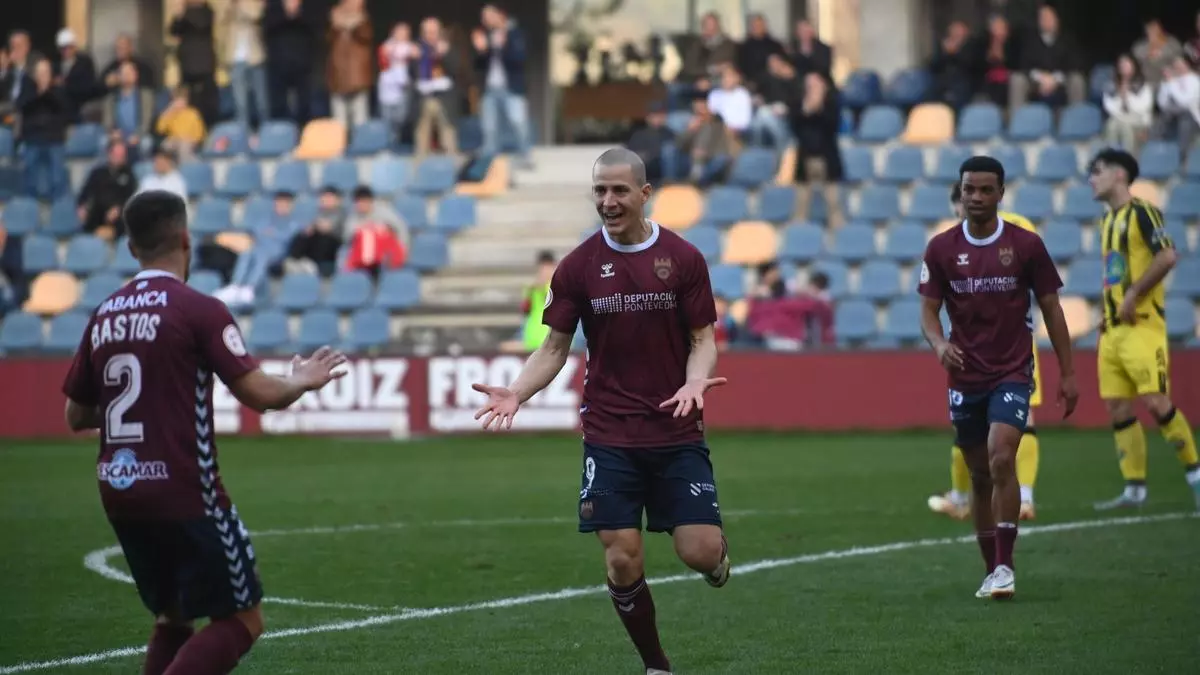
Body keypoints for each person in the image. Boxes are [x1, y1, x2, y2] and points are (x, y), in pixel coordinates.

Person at [60, 189, 347, 674]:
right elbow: (259, 394)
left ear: (131, 247)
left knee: (174, 614)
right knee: (244, 619)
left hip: (120, 489)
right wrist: (301, 380)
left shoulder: (104, 313)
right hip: (183, 489)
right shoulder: (198, 309)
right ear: (185, 239)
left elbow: (76, 415)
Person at [472, 147, 731, 675]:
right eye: (599, 191)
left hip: (675, 428)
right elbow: (553, 349)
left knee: (699, 552)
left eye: (618, 191)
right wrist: (517, 393)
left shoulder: (683, 258)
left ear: (644, 193)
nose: (608, 201)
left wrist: (695, 380)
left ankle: (717, 558)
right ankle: (656, 665)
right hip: (609, 432)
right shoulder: (577, 267)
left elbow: (703, 338)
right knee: (620, 556)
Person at [918, 156, 1078, 601]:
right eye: (969, 189)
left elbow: (1052, 309)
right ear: (961, 192)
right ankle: (991, 568)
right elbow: (928, 311)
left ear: (1001, 194)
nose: (976, 197)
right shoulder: (941, 248)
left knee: (1001, 456)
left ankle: (1006, 566)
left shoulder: (1025, 245)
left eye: (986, 190)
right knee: (979, 474)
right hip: (964, 374)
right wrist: (938, 344)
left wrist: (1068, 372)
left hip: (1012, 369)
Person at [1087, 148, 1199, 510]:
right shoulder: (1106, 221)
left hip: (1142, 326)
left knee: (1155, 401)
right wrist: (1108, 309)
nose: (1091, 179)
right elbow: (1116, 272)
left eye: (1098, 171)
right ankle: (1134, 490)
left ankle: (1196, 477)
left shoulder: (1143, 212)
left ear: (1119, 174)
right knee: (1117, 407)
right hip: (1113, 331)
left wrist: (1134, 294)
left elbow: (1167, 255)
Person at [928, 183, 1047, 521]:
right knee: (991, 419)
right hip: (988, 342)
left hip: (1001, 343)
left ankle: (989, 498)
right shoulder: (957, 241)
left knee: (998, 417)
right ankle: (993, 498)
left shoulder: (1005, 231)